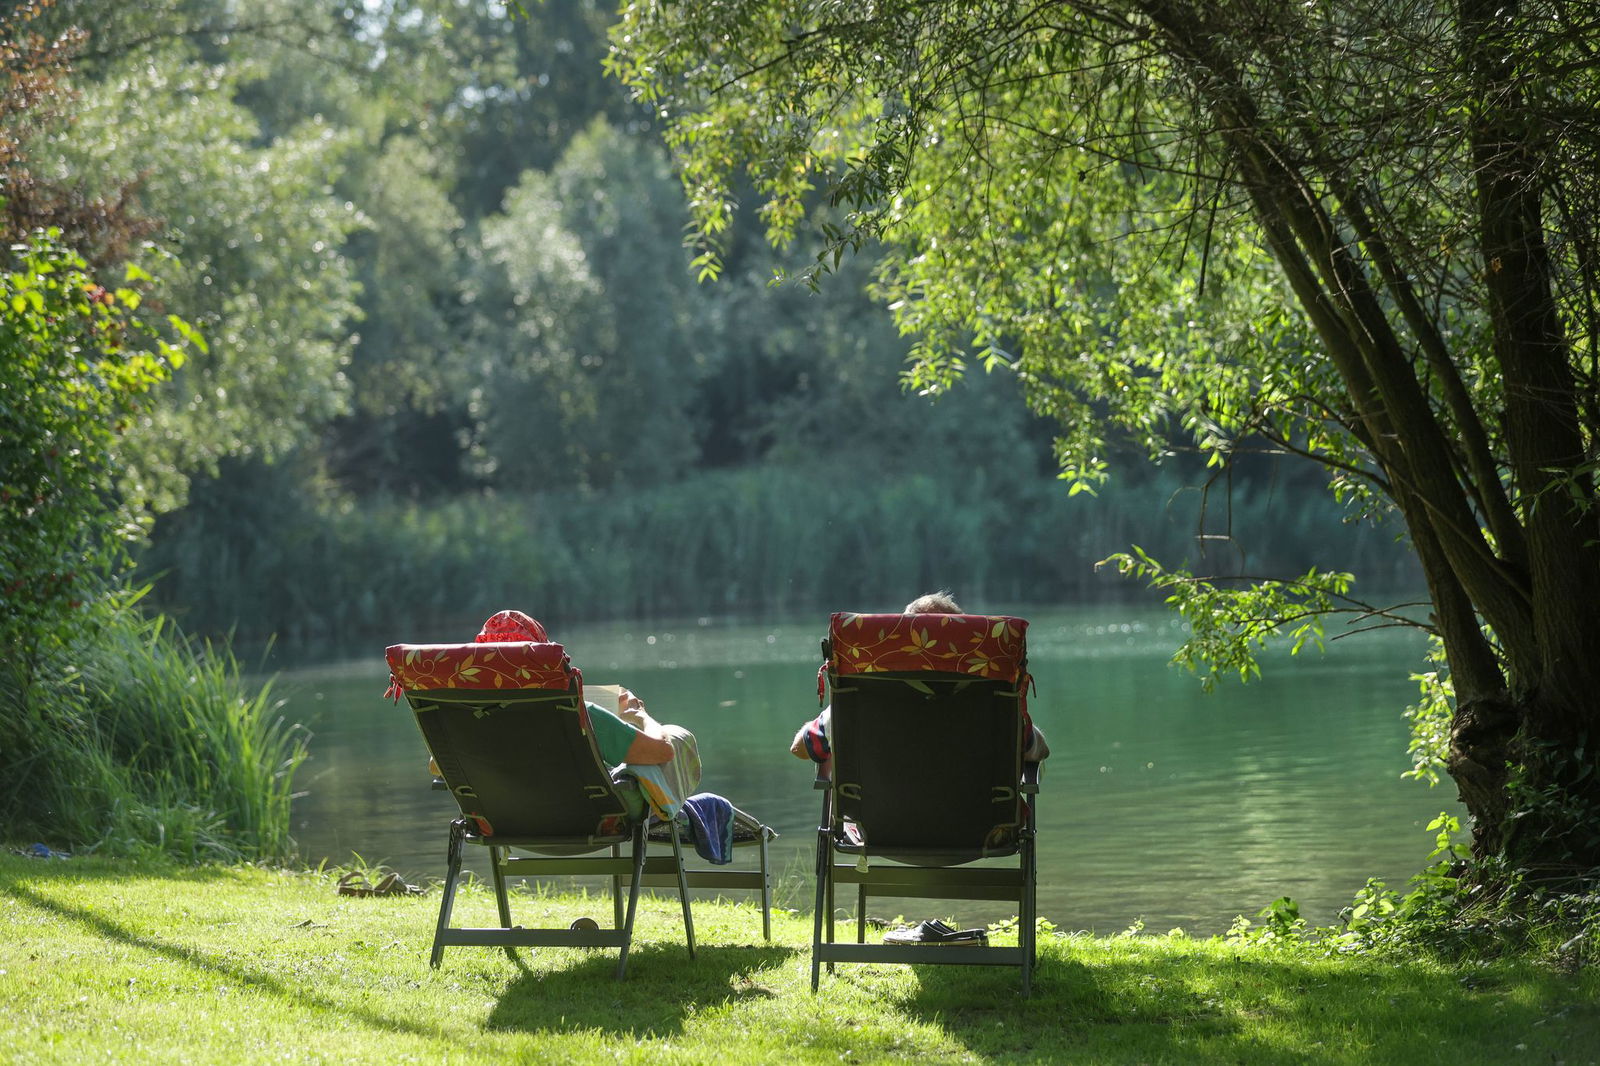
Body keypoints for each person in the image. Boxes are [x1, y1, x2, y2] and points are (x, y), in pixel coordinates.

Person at [789, 590, 1050, 770]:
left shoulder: (863, 698)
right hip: (979, 828)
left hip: (880, 827)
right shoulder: (995, 703)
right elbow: (1039, 750)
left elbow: (800, 748)